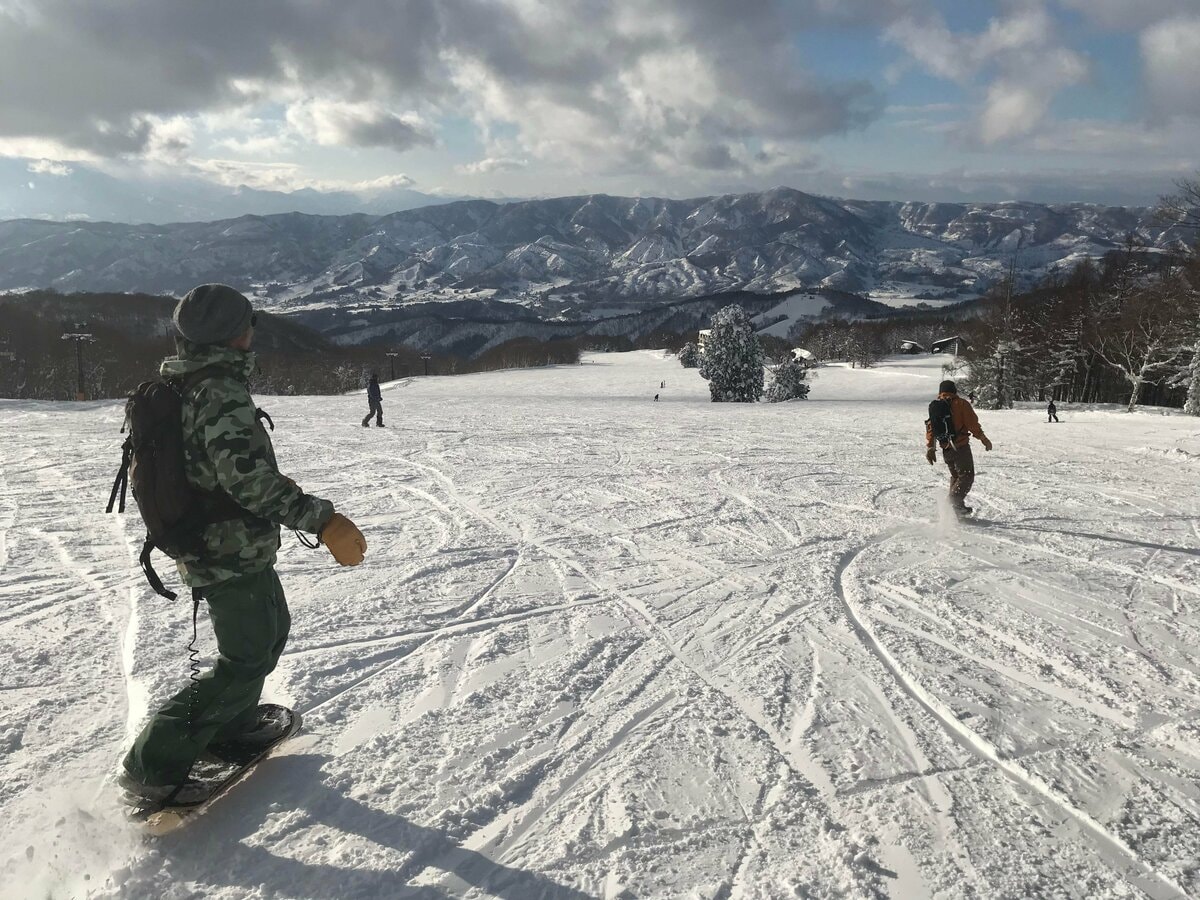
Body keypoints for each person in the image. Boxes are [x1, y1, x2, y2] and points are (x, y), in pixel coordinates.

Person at [119, 283, 367, 806]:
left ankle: (229, 726)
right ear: (237, 333)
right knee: (246, 660)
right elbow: (249, 483)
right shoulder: (219, 393)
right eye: (250, 322)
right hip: (223, 550)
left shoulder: (189, 383)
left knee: (270, 634)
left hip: (229, 545)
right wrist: (324, 522)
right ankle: (152, 763)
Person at [925, 379, 992, 515]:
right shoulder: (961, 404)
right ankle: (952, 503)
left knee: (956, 476)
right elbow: (972, 424)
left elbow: (931, 428)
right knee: (966, 476)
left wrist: (930, 447)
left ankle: (957, 507)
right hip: (960, 447)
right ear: (954, 390)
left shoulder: (936, 406)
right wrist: (983, 439)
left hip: (946, 448)